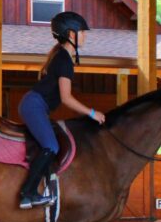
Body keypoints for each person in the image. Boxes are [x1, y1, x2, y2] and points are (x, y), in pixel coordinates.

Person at [17, 11, 106, 209]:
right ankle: (27, 193)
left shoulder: (61, 57)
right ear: (71, 34)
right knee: (51, 146)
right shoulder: (64, 60)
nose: (85, 36)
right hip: (34, 105)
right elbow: (66, 98)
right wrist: (92, 113)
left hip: (35, 105)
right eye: (83, 32)